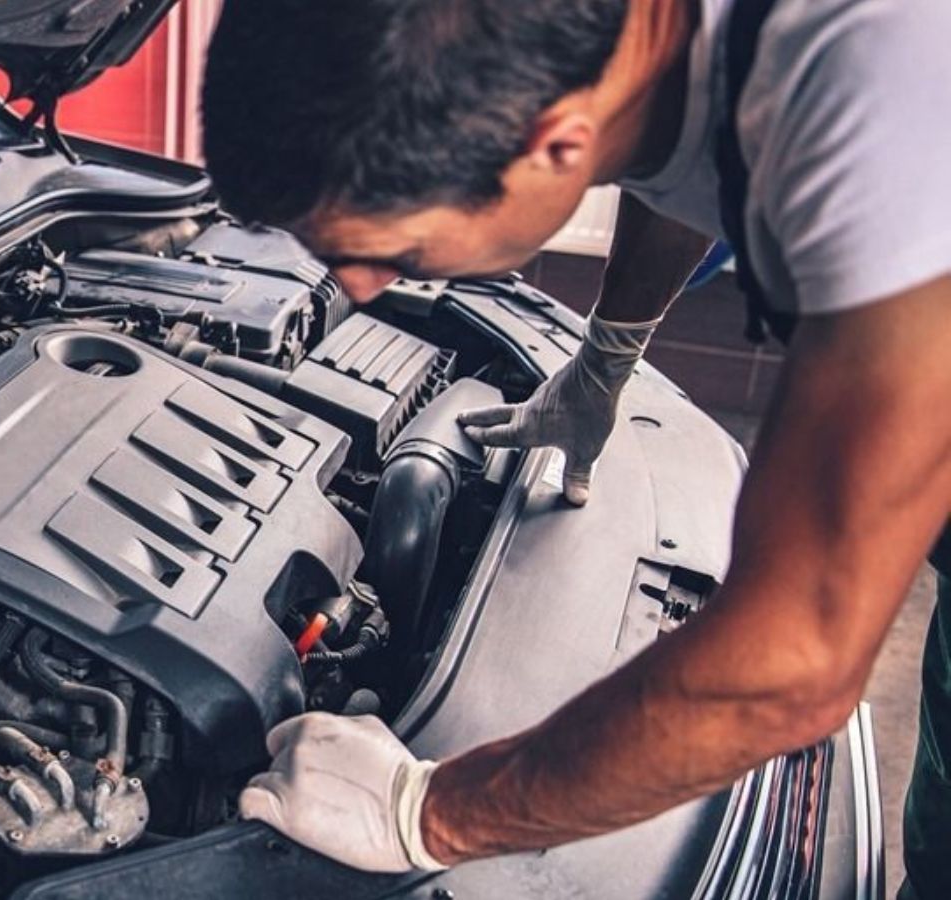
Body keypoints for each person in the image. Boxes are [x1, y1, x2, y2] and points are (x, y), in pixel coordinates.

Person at [199, 0, 951, 893]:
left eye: (400, 252)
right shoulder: (659, 40)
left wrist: (425, 813)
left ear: (555, 145)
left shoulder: (892, 117)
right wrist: (606, 357)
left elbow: (793, 663)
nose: (359, 289)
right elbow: (683, 147)